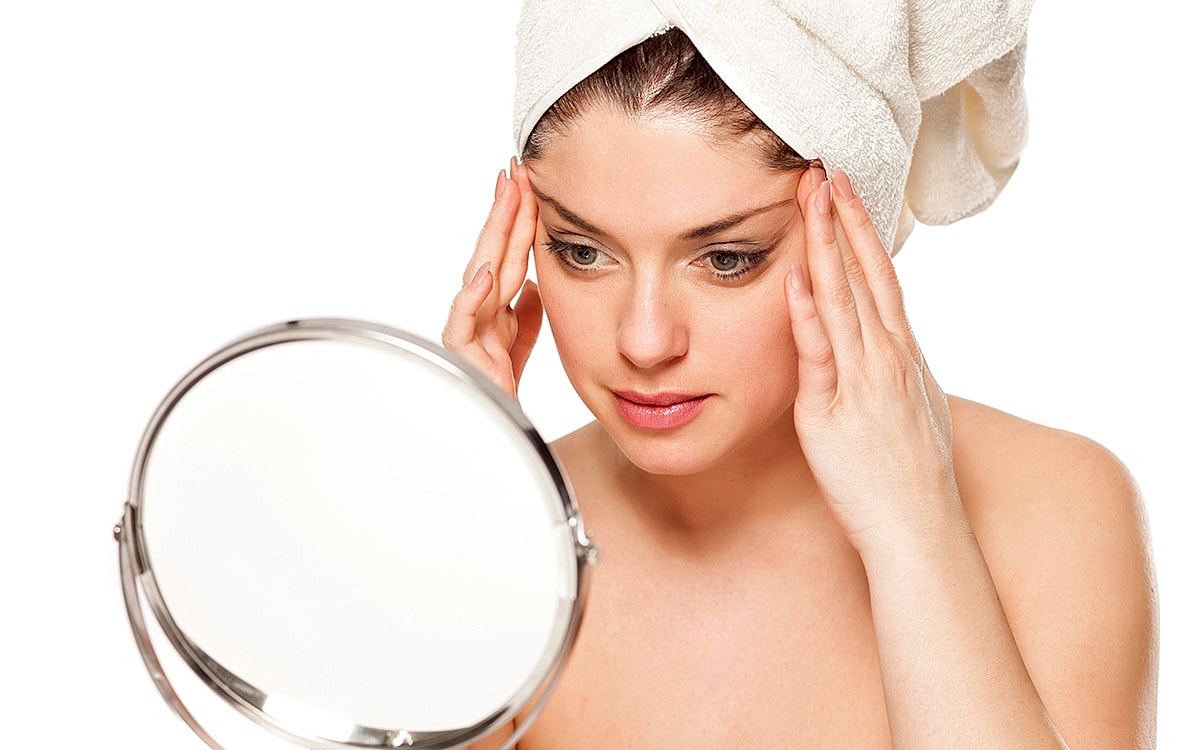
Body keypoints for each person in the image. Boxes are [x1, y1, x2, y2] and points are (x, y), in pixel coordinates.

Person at [442, 6, 1158, 748]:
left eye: (726, 259)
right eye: (582, 251)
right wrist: (443, 527)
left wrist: (912, 527)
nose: (645, 340)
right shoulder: (499, 545)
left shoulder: (1054, 509)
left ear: (857, 234)